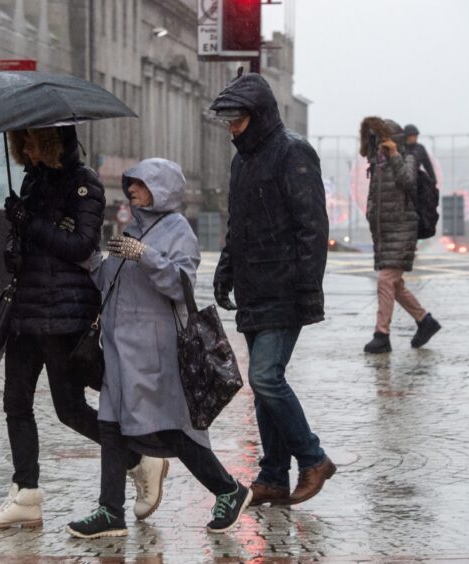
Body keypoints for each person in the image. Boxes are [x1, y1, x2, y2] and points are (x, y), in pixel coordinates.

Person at [0, 126, 165, 529]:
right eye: (19, 142)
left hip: (64, 313)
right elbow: (36, 243)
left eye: (29, 139)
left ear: (50, 139)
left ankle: (139, 460)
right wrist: (16, 238)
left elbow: (80, 245)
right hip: (26, 309)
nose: (23, 147)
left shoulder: (85, 185)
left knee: (70, 409)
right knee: (16, 403)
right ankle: (26, 492)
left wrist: (31, 223)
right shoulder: (30, 180)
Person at [66, 158, 252, 539]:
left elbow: (180, 282)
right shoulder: (133, 228)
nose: (131, 190)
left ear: (162, 189)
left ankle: (229, 489)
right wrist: (87, 255)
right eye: (131, 184)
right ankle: (110, 511)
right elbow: (109, 281)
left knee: (173, 430)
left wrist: (144, 255)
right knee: (111, 426)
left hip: (155, 352)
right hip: (121, 350)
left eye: (141, 184)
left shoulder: (177, 230)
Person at [209, 72, 334, 508]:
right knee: (264, 385)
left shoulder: (293, 152)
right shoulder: (241, 160)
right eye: (228, 121)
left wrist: (308, 290)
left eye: (237, 120)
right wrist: (226, 269)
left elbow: (312, 228)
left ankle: (314, 459)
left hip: (284, 287)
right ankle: (273, 476)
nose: (231, 128)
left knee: (265, 376)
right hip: (252, 287)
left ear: (257, 115)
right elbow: (237, 224)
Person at [360, 117, 441, 354]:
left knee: (386, 280)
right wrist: (370, 215)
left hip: (403, 230)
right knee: (395, 284)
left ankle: (381, 334)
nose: (377, 145)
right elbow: (373, 199)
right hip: (384, 233)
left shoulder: (407, 157)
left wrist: (394, 154)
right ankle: (425, 321)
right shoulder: (377, 164)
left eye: (381, 140)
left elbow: (408, 180)